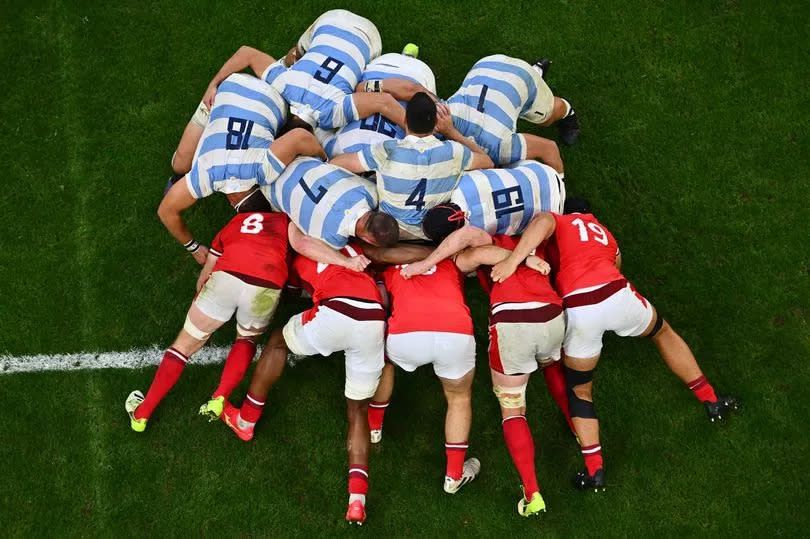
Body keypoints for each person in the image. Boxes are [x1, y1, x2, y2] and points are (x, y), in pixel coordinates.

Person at [490, 199, 739, 490]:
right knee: (662, 332)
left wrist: (512, 260)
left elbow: (544, 221)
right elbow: (617, 263)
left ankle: (595, 470)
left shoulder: (561, 220)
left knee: (581, 390)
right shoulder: (605, 233)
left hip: (579, 306)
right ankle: (710, 400)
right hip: (617, 292)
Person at [221, 245, 386, 526]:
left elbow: (292, 290)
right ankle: (357, 499)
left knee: (277, 341)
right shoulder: (355, 249)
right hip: (373, 318)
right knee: (358, 411)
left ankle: (246, 419)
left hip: (336, 310)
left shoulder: (298, 254)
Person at [125, 190, 288, 431]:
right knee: (247, 339)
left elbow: (205, 275)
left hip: (225, 278)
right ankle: (220, 397)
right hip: (266, 284)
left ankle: (142, 414)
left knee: (183, 346)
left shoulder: (233, 224)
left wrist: (201, 303)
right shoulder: (286, 223)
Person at [454, 235, 572, 516]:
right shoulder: (538, 235)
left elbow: (463, 262)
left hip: (513, 322)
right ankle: (578, 430)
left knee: (513, 410)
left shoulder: (483, 242)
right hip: (552, 314)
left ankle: (533, 494)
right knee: (553, 366)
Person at [158, 73, 325, 265]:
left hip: (247, 89)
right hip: (243, 95)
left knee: (182, 165)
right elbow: (165, 211)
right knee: (180, 165)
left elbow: (300, 137)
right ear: (232, 204)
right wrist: (194, 248)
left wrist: (322, 159)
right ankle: (184, 164)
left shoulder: (261, 170)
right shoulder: (204, 175)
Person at [378, 258, 481, 494]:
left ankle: (374, 427)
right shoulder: (453, 261)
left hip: (407, 336)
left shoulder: (389, 263)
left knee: (384, 361)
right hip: (454, 333)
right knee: (459, 398)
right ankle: (454, 476)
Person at [330, 92, 494, 239]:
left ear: (405, 120)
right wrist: (451, 132)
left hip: (388, 232)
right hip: (433, 232)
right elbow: (488, 162)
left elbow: (338, 163)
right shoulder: (454, 151)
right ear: (436, 122)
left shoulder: (387, 150)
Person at [399, 157, 567, 278]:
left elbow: (469, 259)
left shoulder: (478, 230)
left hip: (554, 208)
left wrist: (426, 262)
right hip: (542, 172)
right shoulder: (462, 182)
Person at [263, 156, 400, 267]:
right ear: (368, 240)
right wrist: (346, 262)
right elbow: (297, 240)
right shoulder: (333, 239)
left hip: (295, 159)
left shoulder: (369, 192)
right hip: (269, 186)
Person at [318, 47, 438, 158]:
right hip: (397, 73)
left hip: (392, 73)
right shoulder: (335, 150)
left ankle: (407, 58)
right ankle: (408, 58)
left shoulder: (335, 150)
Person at [447, 54, 580, 153]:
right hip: (486, 64)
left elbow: (544, 149)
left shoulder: (500, 144)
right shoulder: (439, 113)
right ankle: (536, 70)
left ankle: (568, 113)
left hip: (517, 78)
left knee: (546, 119)